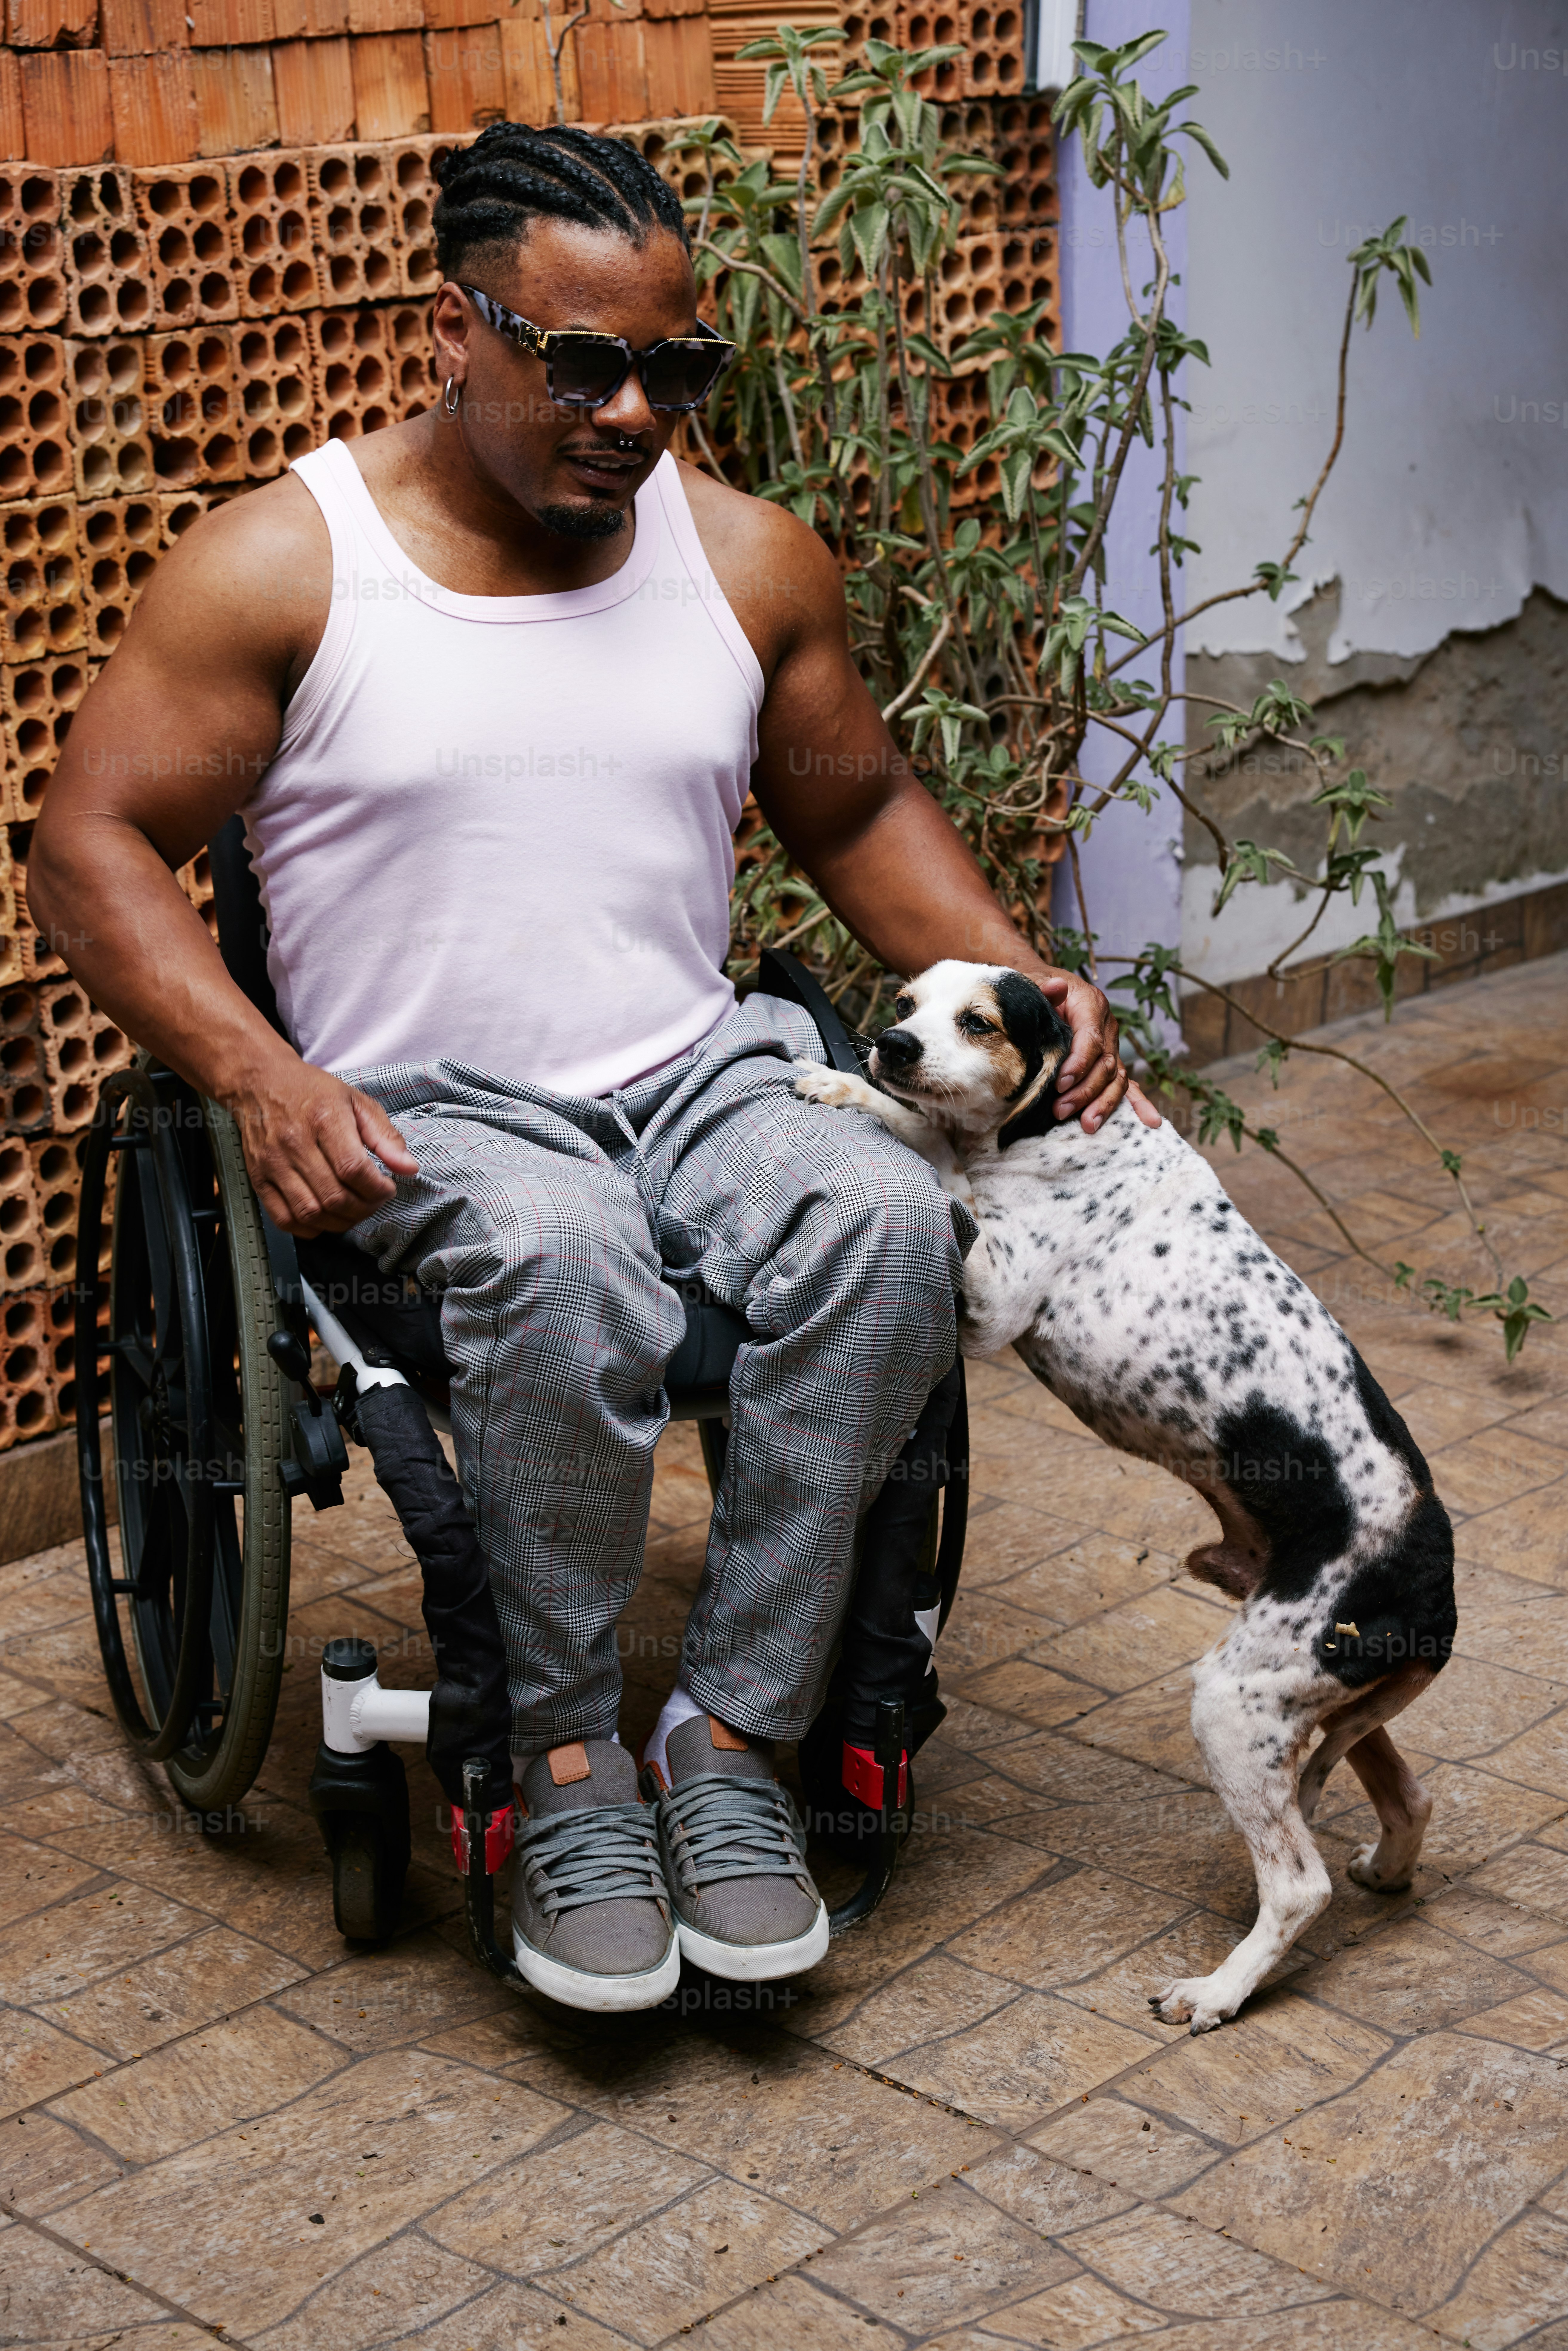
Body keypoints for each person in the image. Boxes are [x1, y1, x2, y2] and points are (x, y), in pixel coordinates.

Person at [31, 121, 1155, 2012]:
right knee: (565, 1257)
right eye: (577, 363)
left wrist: (1011, 975)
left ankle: (727, 1736)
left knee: (885, 1213)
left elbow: (852, 804)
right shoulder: (287, 567)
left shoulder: (745, 560)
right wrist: (259, 1075)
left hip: (695, 1070)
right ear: (453, 329)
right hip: (434, 1102)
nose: (632, 412)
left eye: (671, 367)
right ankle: (556, 1758)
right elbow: (91, 845)